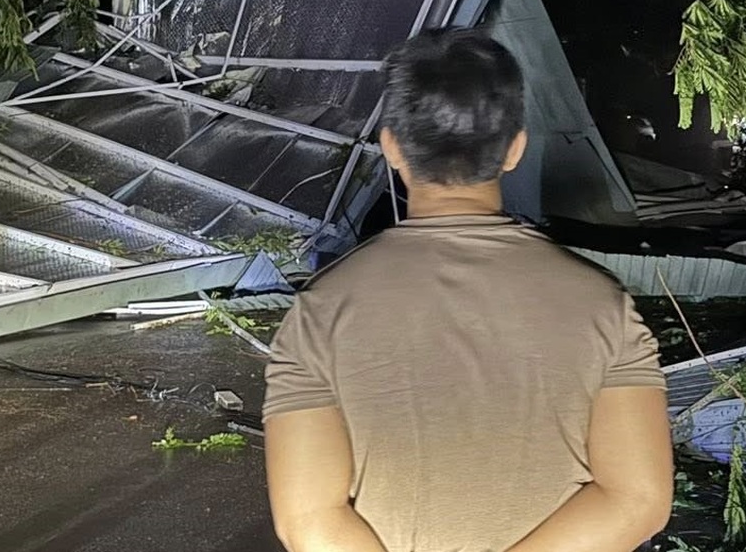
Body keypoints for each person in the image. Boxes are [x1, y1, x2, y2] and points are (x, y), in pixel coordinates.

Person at [263, 29, 674, 552]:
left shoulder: (319, 313)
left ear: (391, 146)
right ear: (515, 148)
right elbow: (636, 499)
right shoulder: (602, 304)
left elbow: (310, 520)